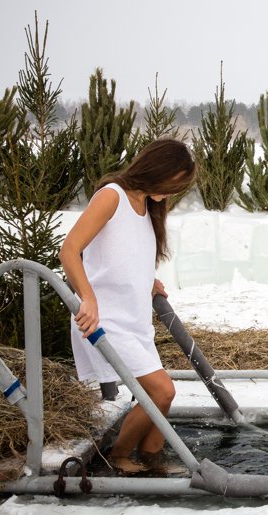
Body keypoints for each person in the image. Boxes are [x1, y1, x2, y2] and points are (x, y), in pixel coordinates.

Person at [59, 138, 195, 473]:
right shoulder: (112, 196)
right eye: (172, 183)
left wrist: (146, 281)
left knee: (162, 396)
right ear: (156, 170)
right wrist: (86, 298)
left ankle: (152, 460)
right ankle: (117, 457)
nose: (172, 192)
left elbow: (123, 254)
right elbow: (69, 250)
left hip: (135, 321)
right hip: (105, 320)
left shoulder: (147, 206)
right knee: (161, 391)